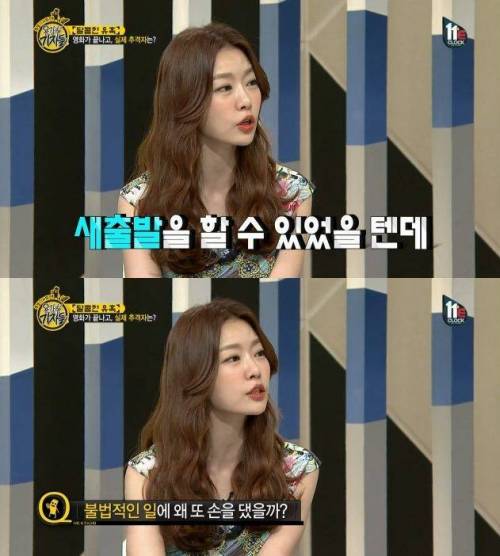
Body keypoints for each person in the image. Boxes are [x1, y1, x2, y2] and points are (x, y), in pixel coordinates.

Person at [124, 298, 320, 555]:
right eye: (233, 358)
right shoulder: (148, 473)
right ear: (195, 374)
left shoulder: (296, 470)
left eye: (259, 353)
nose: (255, 370)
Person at [118, 23, 315, 278]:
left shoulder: (291, 194)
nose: (246, 100)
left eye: (251, 82)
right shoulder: (139, 202)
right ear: (185, 100)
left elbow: (280, 293)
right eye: (225, 87)